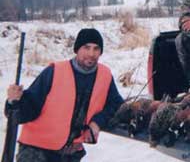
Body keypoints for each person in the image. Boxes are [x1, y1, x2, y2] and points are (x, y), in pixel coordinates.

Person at [5, 28, 124, 162]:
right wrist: (14, 101)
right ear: (77, 49)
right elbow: (26, 111)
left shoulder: (105, 75)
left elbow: (116, 104)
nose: (91, 53)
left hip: (70, 153)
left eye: (96, 49)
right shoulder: (54, 72)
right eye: (86, 47)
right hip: (37, 151)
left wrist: (97, 122)